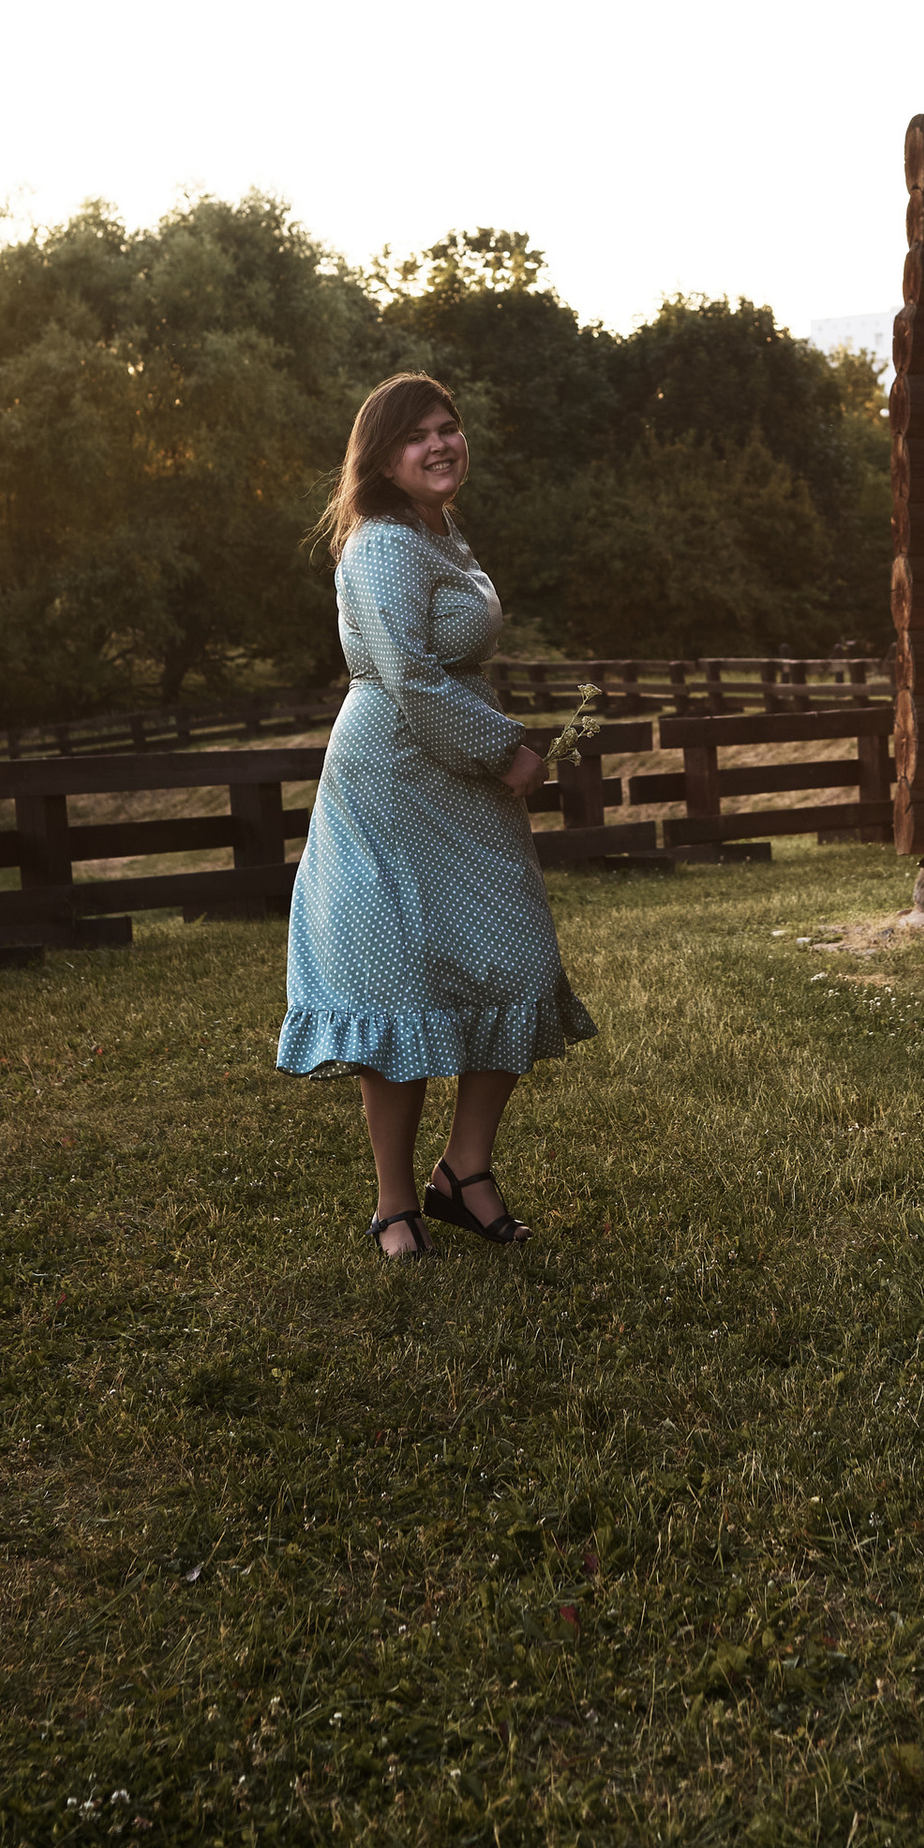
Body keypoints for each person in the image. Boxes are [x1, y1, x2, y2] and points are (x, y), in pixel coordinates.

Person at [276, 371, 596, 1257]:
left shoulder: (442, 532)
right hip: (392, 774)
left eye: (448, 427)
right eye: (418, 435)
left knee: (518, 960)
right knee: (398, 981)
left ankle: (464, 1171)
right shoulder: (379, 544)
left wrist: (496, 744)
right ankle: (393, 1204)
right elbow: (410, 675)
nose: (441, 444)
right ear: (382, 459)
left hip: (459, 772)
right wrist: (505, 747)